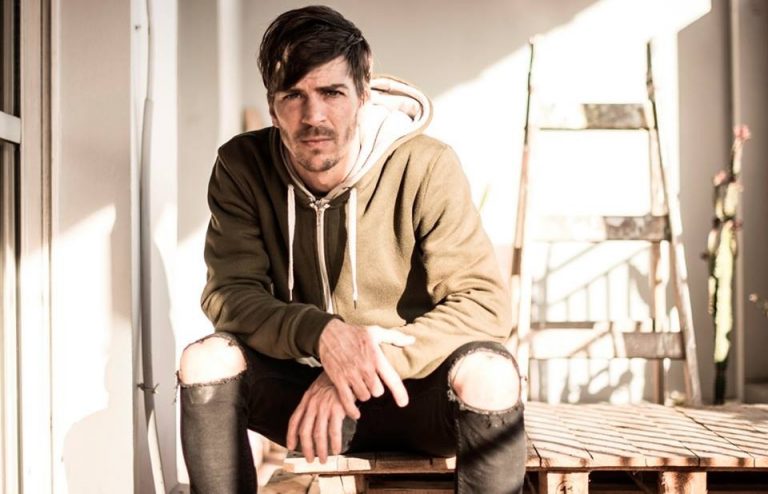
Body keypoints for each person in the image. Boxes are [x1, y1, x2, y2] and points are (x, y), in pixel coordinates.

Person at [178, 5, 526, 493]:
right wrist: (322, 336)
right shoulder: (242, 166)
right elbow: (229, 295)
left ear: (363, 95)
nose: (313, 116)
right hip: (304, 404)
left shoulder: (425, 165)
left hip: (414, 393)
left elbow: (484, 305)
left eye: (332, 93)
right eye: (293, 95)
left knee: (492, 373)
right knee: (205, 361)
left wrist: (360, 359)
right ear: (272, 105)